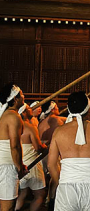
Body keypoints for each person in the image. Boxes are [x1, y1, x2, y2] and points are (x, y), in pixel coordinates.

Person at [47, 91, 90, 211]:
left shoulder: (59, 132)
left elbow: (51, 164)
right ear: (89, 108)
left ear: (68, 108)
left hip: (67, 185)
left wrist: (61, 181)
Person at [0, 83, 27, 211]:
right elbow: (14, 146)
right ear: (15, 99)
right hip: (6, 166)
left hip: (3, 163)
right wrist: (19, 166)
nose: (24, 96)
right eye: (21, 94)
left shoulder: (5, 115)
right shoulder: (13, 116)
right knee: (7, 207)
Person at [15, 103, 47, 211]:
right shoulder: (29, 127)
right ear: (23, 112)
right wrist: (45, 147)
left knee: (23, 193)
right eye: (29, 108)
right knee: (40, 195)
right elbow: (38, 148)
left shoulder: (14, 127)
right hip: (32, 166)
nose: (31, 109)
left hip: (19, 164)